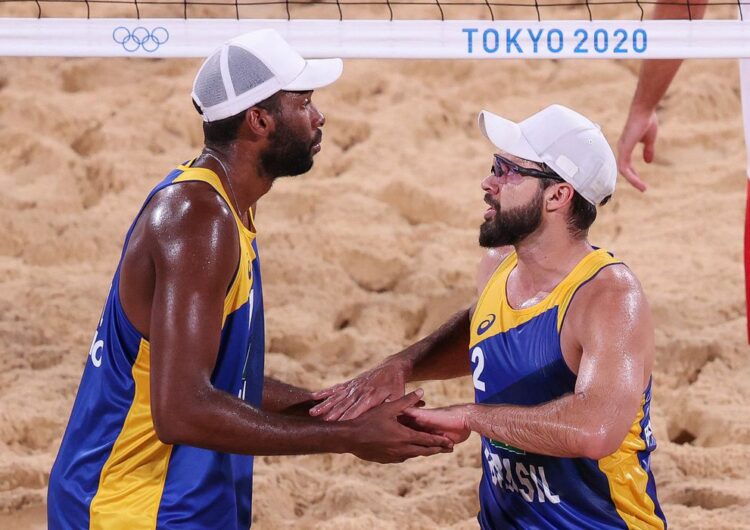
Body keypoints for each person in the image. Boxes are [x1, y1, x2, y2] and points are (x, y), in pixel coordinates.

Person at [47, 29, 452, 530]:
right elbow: (181, 411)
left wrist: (334, 408)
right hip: (133, 507)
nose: (319, 117)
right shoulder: (197, 220)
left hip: (174, 498)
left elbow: (220, 375)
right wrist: (346, 438)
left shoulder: (222, 205)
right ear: (260, 120)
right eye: (304, 103)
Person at [312, 105, 667, 528]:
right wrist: (403, 366)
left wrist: (470, 416)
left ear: (558, 194)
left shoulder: (609, 297)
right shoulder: (498, 268)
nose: (489, 182)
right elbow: (489, 329)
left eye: (507, 170)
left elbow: (596, 429)